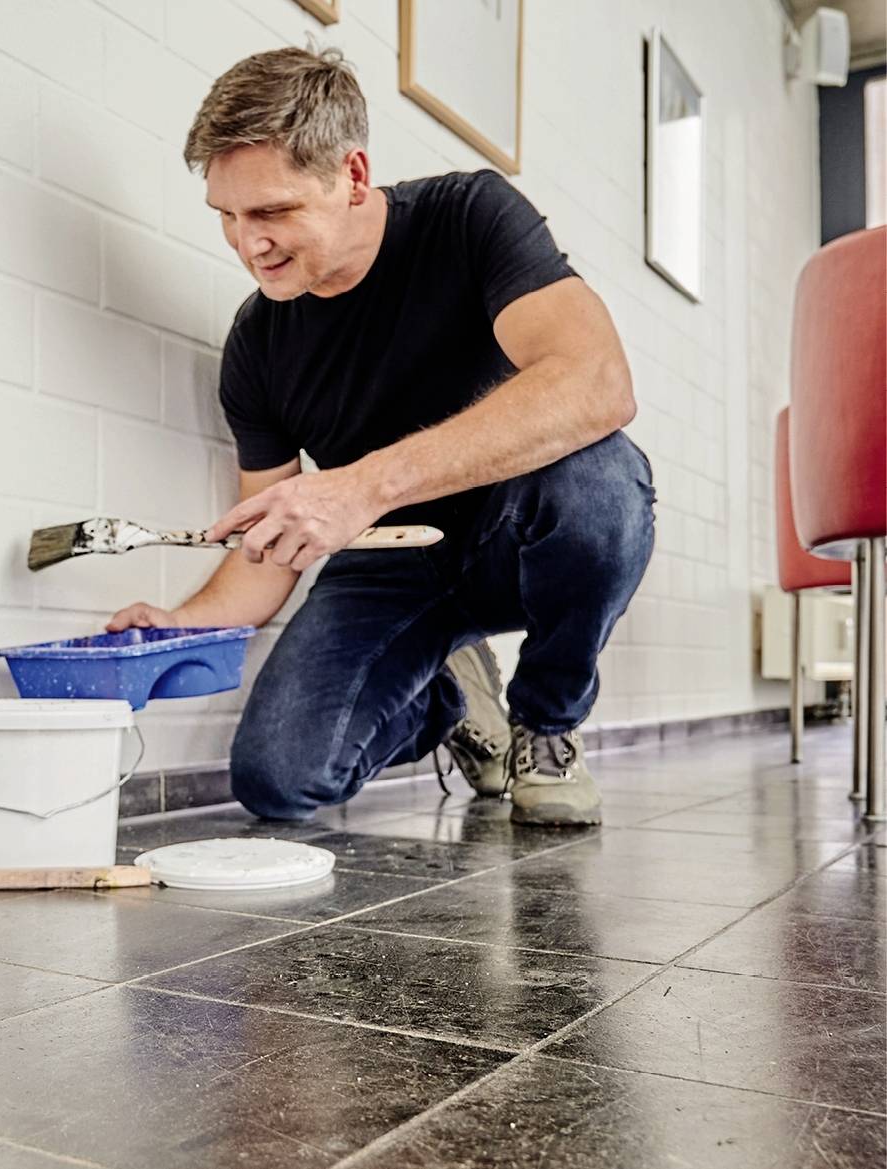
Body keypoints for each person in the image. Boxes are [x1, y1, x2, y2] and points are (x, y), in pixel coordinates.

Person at [107, 46, 654, 827]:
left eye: (271, 212)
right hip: (393, 568)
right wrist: (179, 621)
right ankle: (454, 697)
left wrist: (362, 486)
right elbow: (265, 555)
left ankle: (546, 724)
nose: (245, 243)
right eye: (226, 215)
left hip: (517, 532)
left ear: (353, 176)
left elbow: (600, 381)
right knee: (276, 778)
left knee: (602, 481)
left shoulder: (471, 218)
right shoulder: (258, 345)